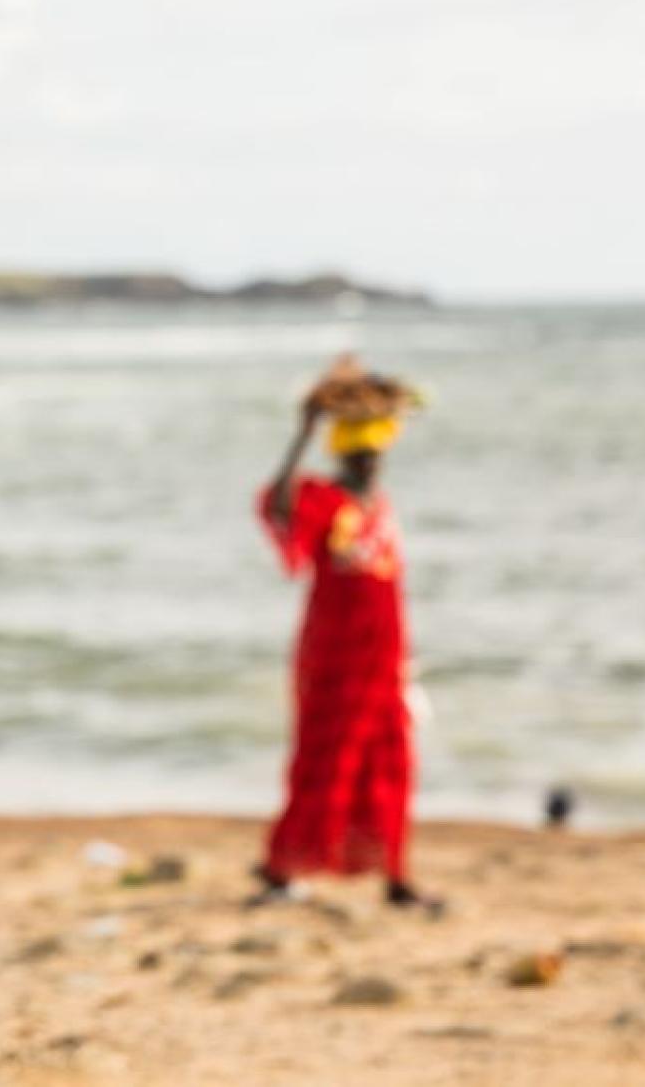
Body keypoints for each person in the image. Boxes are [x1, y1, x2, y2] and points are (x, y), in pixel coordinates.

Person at [252, 358, 436, 910]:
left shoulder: (379, 507)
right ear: (343, 456)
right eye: (360, 456)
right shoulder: (323, 499)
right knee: (323, 758)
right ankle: (283, 867)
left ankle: (395, 875)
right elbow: (277, 506)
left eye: (374, 455)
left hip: (383, 658)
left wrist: (405, 662)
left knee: (390, 762)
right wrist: (302, 434)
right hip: (334, 656)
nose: (369, 464)